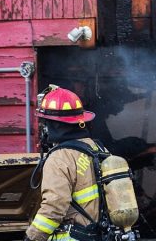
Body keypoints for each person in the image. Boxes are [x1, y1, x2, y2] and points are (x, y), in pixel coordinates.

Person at [26, 85, 107, 241]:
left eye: (45, 123)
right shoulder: (98, 148)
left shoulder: (59, 158)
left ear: (52, 125)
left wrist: (32, 238)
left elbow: (53, 209)